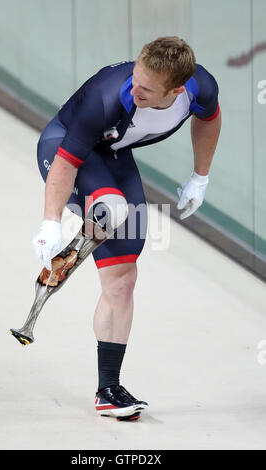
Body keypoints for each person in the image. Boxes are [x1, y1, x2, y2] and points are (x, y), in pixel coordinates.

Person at [33, 36, 221, 421]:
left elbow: (210, 119)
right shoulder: (106, 95)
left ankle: (108, 391)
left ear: (176, 89)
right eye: (134, 78)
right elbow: (67, 162)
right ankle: (85, 226)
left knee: (123, 281)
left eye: (146, 89)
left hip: (113, 157)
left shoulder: (200, 88)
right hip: (63, 149)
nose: (134, 89)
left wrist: (200, 177)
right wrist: (49, 222)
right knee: (114, 207)